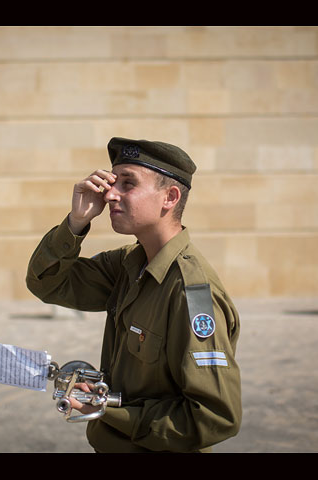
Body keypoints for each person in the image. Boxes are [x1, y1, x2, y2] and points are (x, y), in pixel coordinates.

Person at [26, 137, 242, 453]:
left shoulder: (190, 292)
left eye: (128, 184)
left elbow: (213, 418)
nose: (111, 194)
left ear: (170, 197)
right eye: (113, 182)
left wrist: (110, 411)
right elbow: (47, 283)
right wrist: (76, 223)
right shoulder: (129, 264)